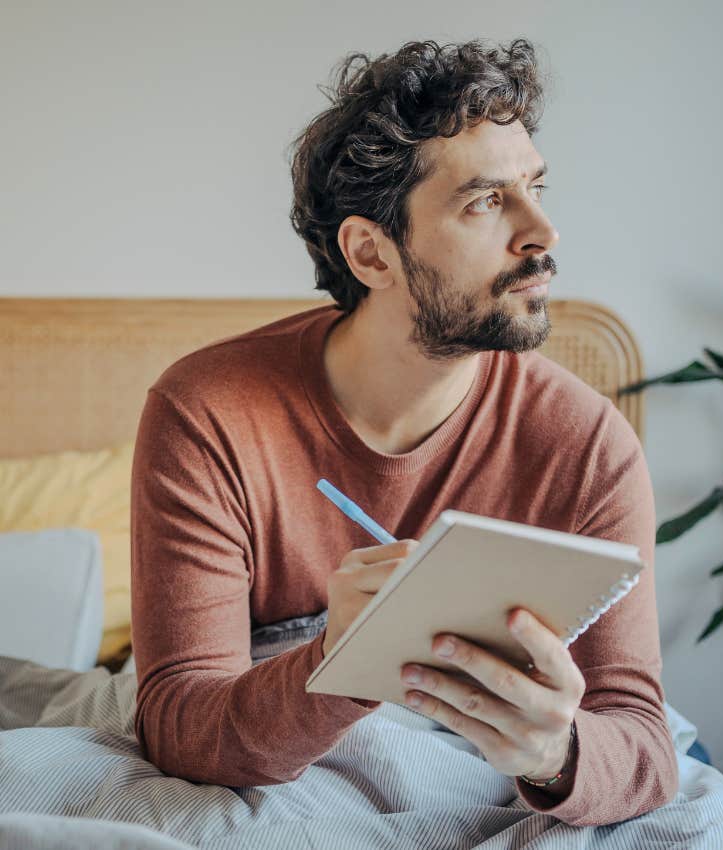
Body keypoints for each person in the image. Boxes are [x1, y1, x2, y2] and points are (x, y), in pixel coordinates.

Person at [130, 38, 678, 827]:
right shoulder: (208, 412)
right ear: (369, 252)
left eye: (535, 187)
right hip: (292, 759)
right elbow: (180, 722)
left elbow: (643, 745)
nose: (543, 233)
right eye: (486, 202)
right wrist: (345, 660)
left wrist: (554, 752)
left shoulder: (588, 445)